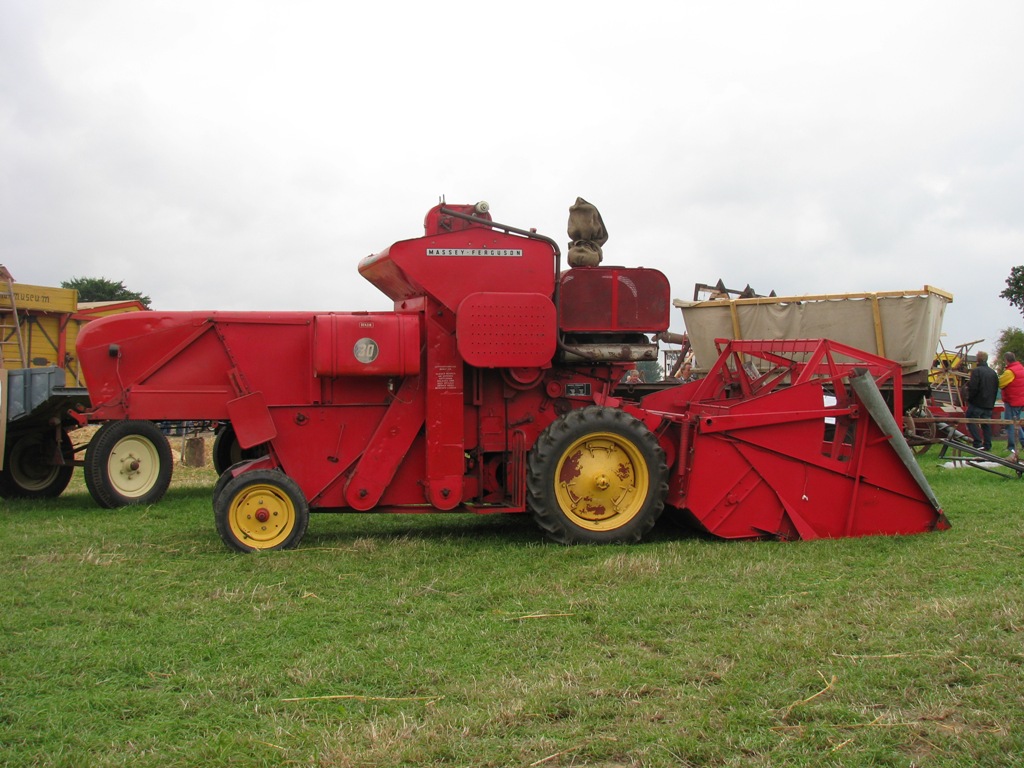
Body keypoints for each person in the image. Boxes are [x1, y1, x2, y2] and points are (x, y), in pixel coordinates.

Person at [965, 350, 998, 451]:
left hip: (977, 402)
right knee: (986, 423)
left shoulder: (976, 371)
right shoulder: (993, 373)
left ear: (978, 359)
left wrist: (970, 398)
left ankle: (977, 442)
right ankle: (987, 444)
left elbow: (973, 387)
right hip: (989, 403)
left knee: (970, 419)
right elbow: (995, 388)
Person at [998, 351, 1024, 461]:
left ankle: (1013, 446)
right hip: (1020, 400)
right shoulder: (1021, 368)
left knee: (1011, 424)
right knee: (1016, 423)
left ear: (1006, 360)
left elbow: (1000, 383)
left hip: (1012, 400)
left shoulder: (1010, 372)